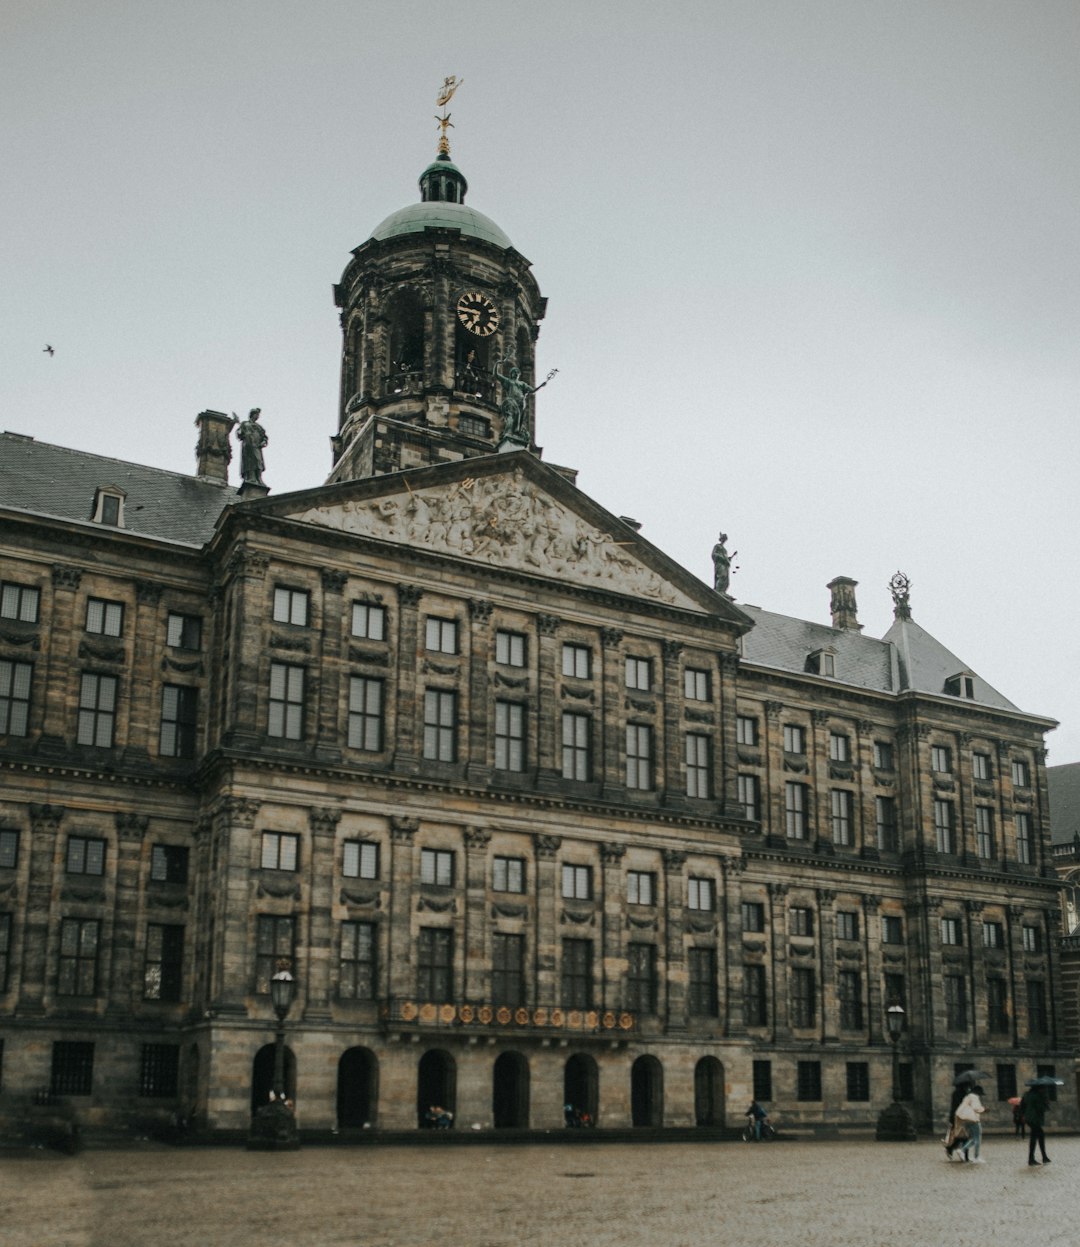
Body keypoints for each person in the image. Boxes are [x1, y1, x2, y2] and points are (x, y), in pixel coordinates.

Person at [234, 408, 268, 485]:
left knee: (258, 461)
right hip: (248, 445)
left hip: (257, 446)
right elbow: (239, 433)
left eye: (258, 415)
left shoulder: (259, 427)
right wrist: (241, 432)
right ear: (252, 415)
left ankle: (259, 478)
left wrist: (263, 442)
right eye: (256, 414)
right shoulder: (245, 424)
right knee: (250, 460)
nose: (257, 416)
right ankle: (251, 477)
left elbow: (264, 437)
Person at [1021, 1086, 1051, 1166]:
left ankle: (1043, 1157)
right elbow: (1040, 1108)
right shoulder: (1038, 1096)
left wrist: (1023, 1115)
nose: (1044, 1089)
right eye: (1043, 1088)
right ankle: (1032, 1159)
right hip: (1035, 1119)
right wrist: (1046, 1102)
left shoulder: (1027, 1095)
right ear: (1039, 1088)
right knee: (1035, 1137)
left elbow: (1022, 1106)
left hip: (1029, 1118)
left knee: (1039, 1135)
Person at [955, 1085, 986, 1163]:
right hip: (973, 1119)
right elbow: (976, 1108)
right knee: (977, 1139)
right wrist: (984, 1109)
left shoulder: (967, 1097)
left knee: (973, 1138)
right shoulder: (974, 1097)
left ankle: (962, 1150)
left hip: (965, 1120)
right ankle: (976, 1156)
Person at [943, 1083, 968, 1159]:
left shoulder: (957, 1093)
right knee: (962, 1135)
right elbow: (959, 1106)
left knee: (962, 1135)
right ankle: (961, 1152)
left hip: (958, 1116)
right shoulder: (961, 1094)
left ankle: (952, 1149)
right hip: (959, 1117)